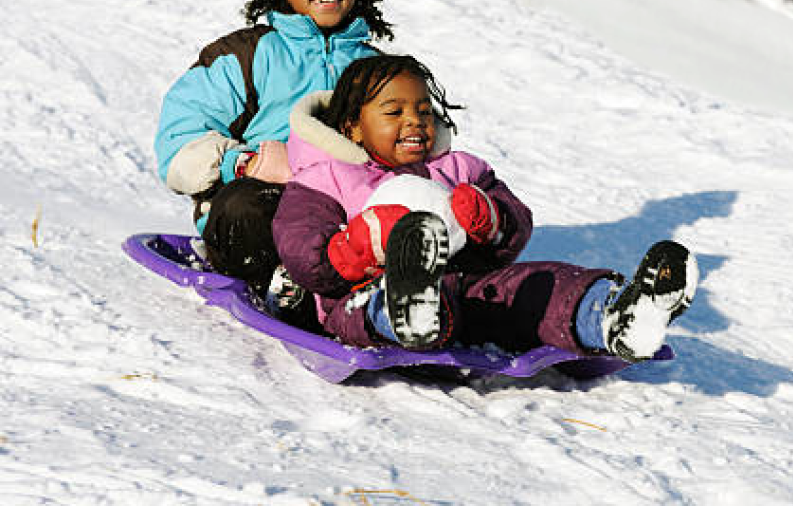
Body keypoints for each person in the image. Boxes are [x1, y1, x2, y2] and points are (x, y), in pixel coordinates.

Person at [271, 54, 699, 362]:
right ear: (352, 126)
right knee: (370, 305)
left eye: (423, 110)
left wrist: (491, 220)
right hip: (357, 297)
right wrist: (359, 247)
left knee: (538, 285)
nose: (415, 121)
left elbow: (516, 225)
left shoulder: (457, 168)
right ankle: (407, 310)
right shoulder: (327, 177)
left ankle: (615, 316)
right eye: (393, 111)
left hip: (467, 286)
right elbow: (303, 249)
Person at [153, 0, 390, 301]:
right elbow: (180, 139)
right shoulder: (248, 54)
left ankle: (392, 297)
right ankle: (286, 288)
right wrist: (246, 164)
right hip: (269, 200)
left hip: (348, 209)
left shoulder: (377, 70)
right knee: (243, 207)